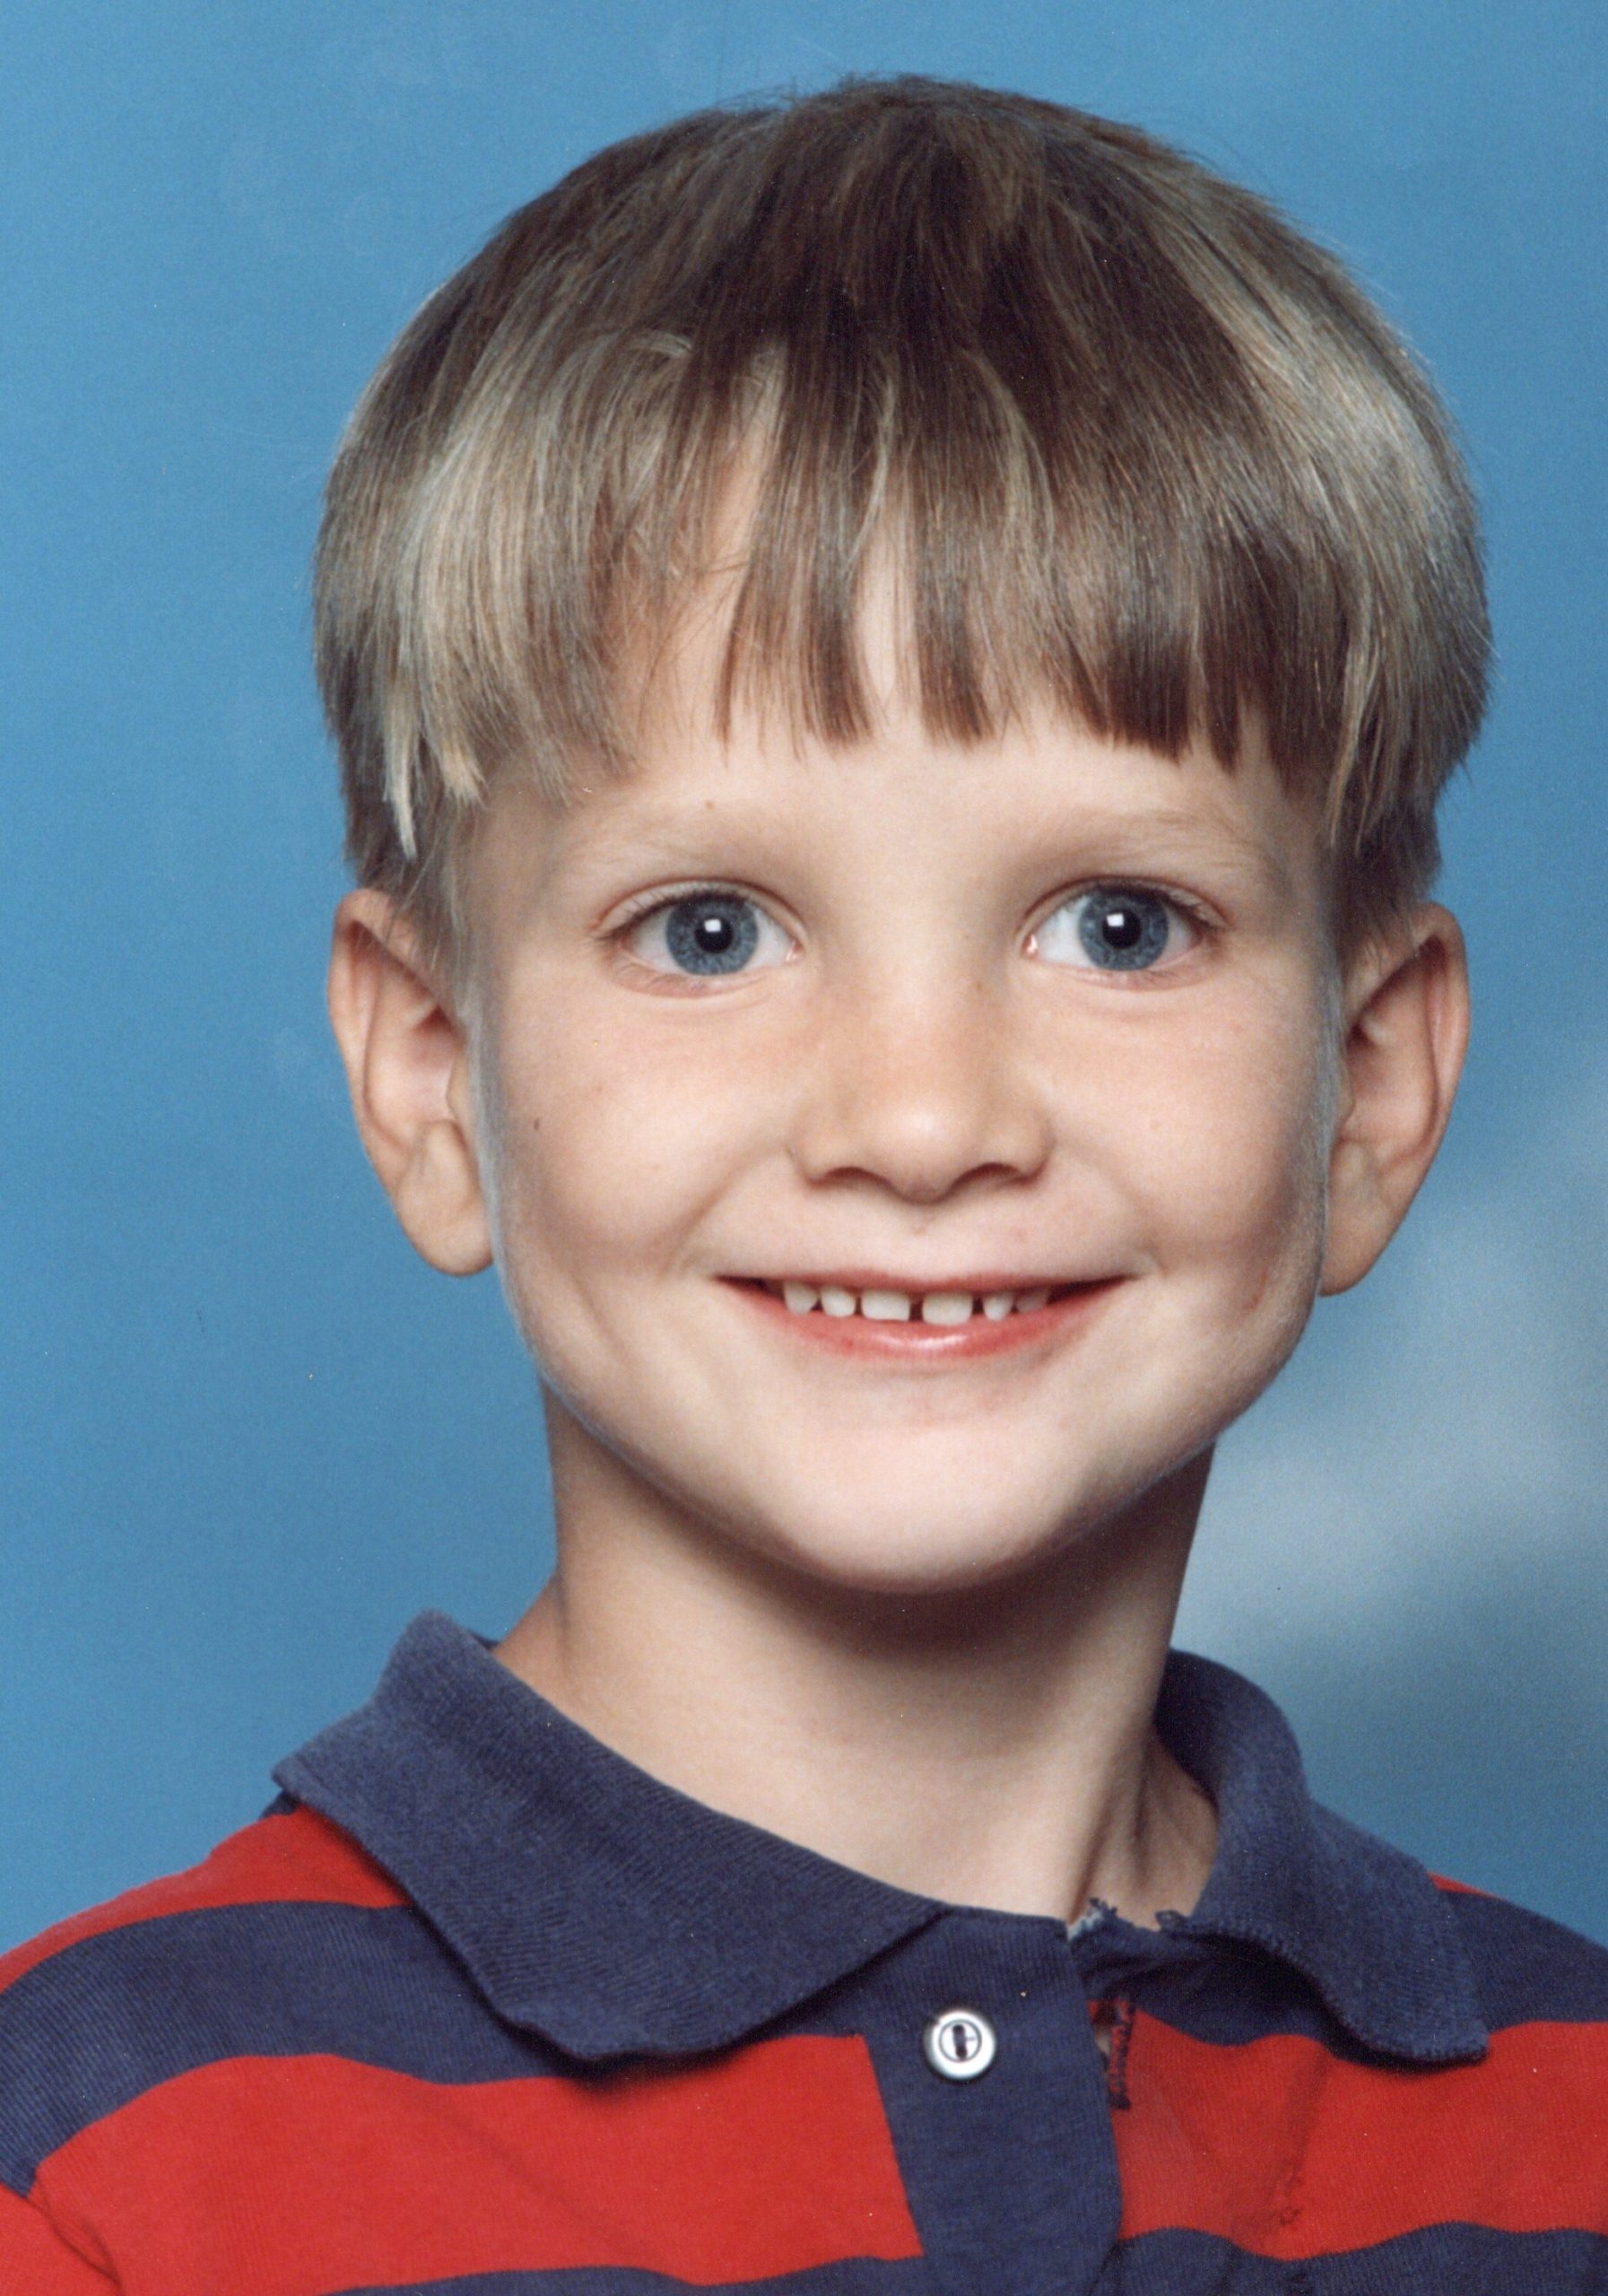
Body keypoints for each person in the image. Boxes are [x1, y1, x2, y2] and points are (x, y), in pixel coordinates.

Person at [4, 73, 1604, 2295]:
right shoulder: (98, 2164)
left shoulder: (1574, 2126)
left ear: (1371, 1084)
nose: (923, 1119)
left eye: (1119, 923)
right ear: (435, 1071)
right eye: (710, 929)